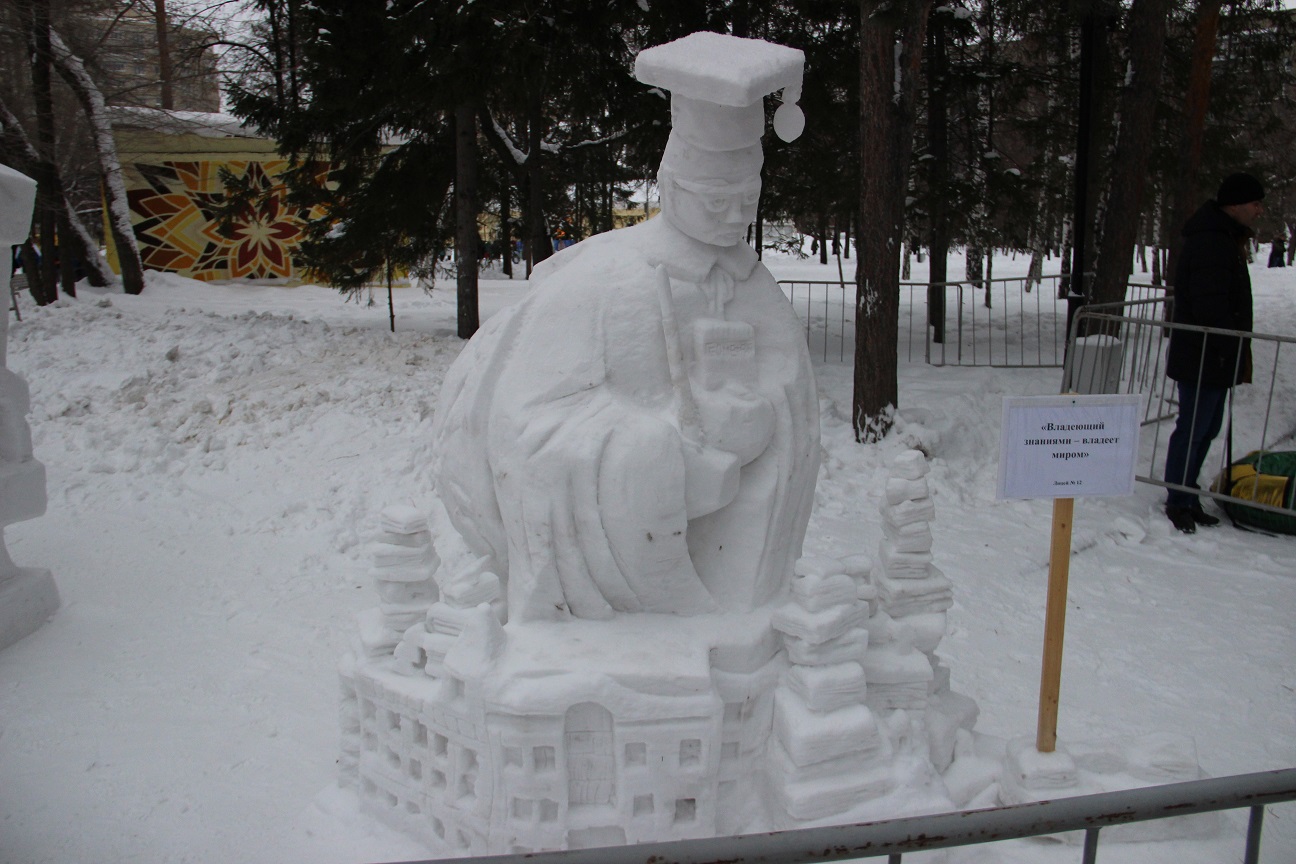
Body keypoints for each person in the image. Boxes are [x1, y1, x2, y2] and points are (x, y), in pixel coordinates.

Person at [431, 34, 819, 621]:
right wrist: (663, 456)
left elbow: (791, 390)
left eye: (748, 199)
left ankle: (738, 594)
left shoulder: (753, 283)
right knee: (645, 450)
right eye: (717, 201)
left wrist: (758, 418)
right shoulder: (607, 276)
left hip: (730, 503)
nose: (736, 217)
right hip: (646, 507)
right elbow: (522, 420)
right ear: (672, 188)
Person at [1163, 172, 1263, 533]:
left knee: (1207, 428)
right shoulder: (1211, 241)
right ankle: (1178, 499)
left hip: (1214, 353)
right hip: (1203, 352)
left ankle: (1187, 495)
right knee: (1193, 428)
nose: (1258, 210)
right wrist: (1227, 344)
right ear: (1234, 204)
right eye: (1254, 203)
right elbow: (1210, 305)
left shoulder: (1223, 237)